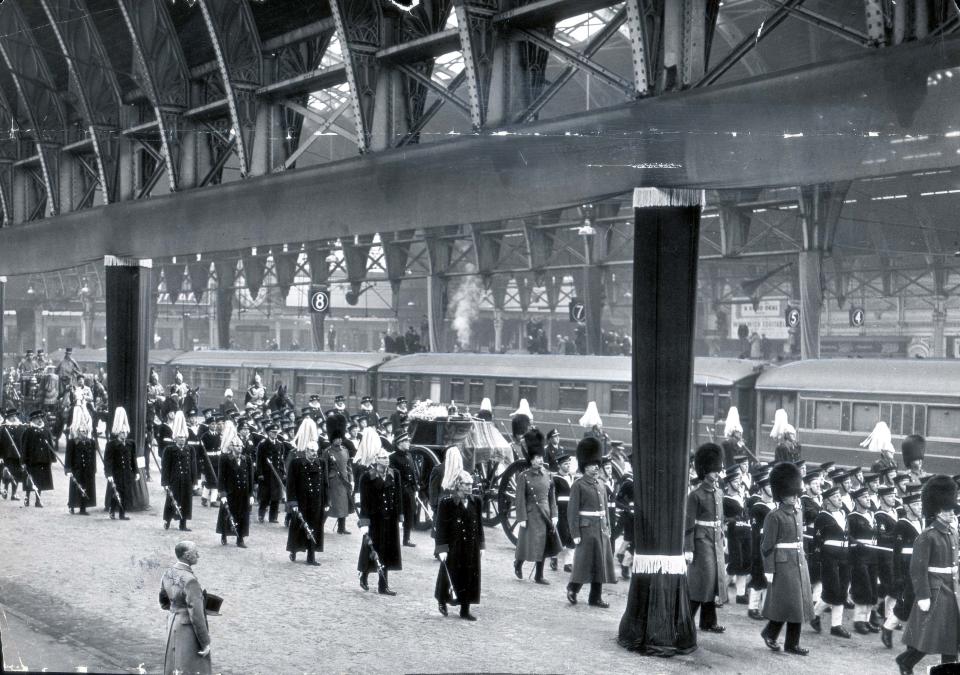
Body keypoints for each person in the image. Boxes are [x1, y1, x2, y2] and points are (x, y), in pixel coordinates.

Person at [896, 475, 960, 675]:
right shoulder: (927, 536)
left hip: (952, 588)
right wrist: (923, 595)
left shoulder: (952, 533)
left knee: (952, 636)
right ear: (937, 510)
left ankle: (947, 669)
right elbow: (918, 569)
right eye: (947, 510)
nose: (952, 513)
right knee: (928, 634)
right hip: (936, 590)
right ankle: (905, 661)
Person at [759, 461, 813, 656]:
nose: (794, 496)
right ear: (781, 494)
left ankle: (790, 642)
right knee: (788, 604)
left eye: (795, 493)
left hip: (798, 562)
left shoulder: (798, 512)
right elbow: (766, 546)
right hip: (783, 565)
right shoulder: (774, 516)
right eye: (791, 493)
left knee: (796, 604)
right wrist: (769, 569)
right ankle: (772, 635)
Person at [565, 437, 617, 608]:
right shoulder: (578, 485)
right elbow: (572, 512)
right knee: (583, 563)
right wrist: (575, 533)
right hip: (586, 529)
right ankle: (573, 589)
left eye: (597, 464)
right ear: (585, 466)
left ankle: (595, 597)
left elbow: (605, 510)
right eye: (592, 464)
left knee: (599, 564)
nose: (596, 467)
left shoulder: (600, 484)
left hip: (600, 528)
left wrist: (608, 526)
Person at [685, 442, 727, 632]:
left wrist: (722, 537)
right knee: (703, 580)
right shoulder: (695, 495)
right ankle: (685, 620)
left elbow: (720, 518)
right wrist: (688, 548)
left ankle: (708, 621)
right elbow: (689, 523)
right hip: (701, 541)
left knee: (713, 580)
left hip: (715, 540)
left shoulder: (718, 492)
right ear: (705, 470)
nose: (717, 472)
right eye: (713, 469)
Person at [435, 470, 484, 620]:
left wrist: (481, 545)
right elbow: (441, 527)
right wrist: (441, 548)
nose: (470, 487)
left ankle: (465, 609)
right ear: (458, 485)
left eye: (471, 484)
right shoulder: (447, 503)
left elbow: (479, 525)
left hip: (471, 545)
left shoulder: (476, 502)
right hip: (454, 546)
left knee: (469, 576)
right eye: (466, 484)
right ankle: (442, 600)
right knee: (449, 573)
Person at [513, 428, 559, 585]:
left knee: (543, 545)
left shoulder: (548, 475)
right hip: (531, 514)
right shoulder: (523, 476)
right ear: (531, 460)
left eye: (541, 457)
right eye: (537, 458)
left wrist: (554, 515)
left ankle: (539, 575)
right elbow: (519, 499)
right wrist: (521, 518)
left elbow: (551, 497)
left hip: (545, 514)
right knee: (527, 545)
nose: (540, 460)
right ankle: (518, 563)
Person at [159, 541, 212, 675]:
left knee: (174, 665)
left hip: (173, 623)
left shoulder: (168, 572)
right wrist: (205, 642)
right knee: (191, 666)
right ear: (187, 556)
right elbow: (197, 615)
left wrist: (176, 609)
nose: (198, 556)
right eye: (195, 553)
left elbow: (163, 601)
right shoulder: (190, 580)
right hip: (187, 629)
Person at [358, 447, 403, 594]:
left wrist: (400, 515)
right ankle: (364, 574)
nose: (387, 459)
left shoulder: (394, 474)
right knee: (372, 549)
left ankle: (383, 585)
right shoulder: (367, 477)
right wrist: (364, 522)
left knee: (387, 551)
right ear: (376, 460)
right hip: (374, 519)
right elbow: (364, 502)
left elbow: (398, 496)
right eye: (383, 457)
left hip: (389, 519)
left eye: (387, 457)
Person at [811, 484, 852, 638]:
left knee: (842, 589)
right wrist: (818, 560)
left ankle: (836, 625)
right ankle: (815, 614)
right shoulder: (822, 517)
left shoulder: (843, 513)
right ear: (827, 501)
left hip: (844, 556)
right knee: (832, 589)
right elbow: (818, 540)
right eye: (835, 497)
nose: (839, 499)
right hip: (829, 557)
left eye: (839, 496)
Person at [286, 423, 326, 565]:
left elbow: (324, 483)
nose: (314, 454)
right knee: (299, 526)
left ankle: (311, 556)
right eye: (311, 451)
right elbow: (290, 485)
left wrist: (326, 502)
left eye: (316, 451)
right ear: (306, 451)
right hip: (301, 501)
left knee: (314, 527)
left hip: (316, 501)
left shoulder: (321, 463)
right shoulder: (296, 463)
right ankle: (294, 550)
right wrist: (293, 502)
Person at [886, 491, 923, 646]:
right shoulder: (901, 524)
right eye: (915, 505)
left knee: (918, 601)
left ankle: (913, 637)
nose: (919, 507)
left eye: (920, 504)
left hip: (920, 566)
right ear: (907, 508)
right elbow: (896, 553)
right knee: (907, 602)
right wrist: (898, 574)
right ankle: (888, 628)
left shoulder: (922, 522)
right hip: (906, 566)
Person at [848, 486, 881, 634]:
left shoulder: (872, 515)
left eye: (868, 497)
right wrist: (856, 542)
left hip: (873, 555)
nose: (868, 499)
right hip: (859, 556)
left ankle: (866, 620)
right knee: (863, 587)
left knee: (872, 588)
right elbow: (847, 535)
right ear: (856, 500)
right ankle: (858, 621)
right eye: (864, 497)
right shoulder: (852, 517)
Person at [217, 422, 254, 548]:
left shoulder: (246, 459)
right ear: (232, 447)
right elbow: (221, 477)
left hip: (243, 492)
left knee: (243, 515)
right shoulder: (225, 459)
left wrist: (251, 494)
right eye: (236, 446)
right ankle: (224, 534)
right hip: (230, 492)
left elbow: (250, 477)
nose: (239, 448)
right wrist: (222, 493)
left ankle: (240, 539)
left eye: (240, 446)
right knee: (227, 513)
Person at [161, 411, 196, 532]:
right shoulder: (170, 450)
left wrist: (194, 480)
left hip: (186, 479)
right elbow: (165, 467)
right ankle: (168, 520)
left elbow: (193, 466)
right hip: (174, 479)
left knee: (186, 501)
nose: (182, 439)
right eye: (179, 437)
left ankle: (183, 523)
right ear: (175, 438)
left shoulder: (189, 449)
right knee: (172, 500)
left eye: (183, 437)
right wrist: (165, 482)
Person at [747, 473, 775, 620]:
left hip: (773, 546)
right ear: (763, 489)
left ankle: (765, 608)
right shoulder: (758, 507)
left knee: (768, 577)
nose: (773, 489)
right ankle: (752, 607)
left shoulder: (775, 506)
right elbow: (756, 532)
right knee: (758, 576)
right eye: (769, 486)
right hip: (760, 545)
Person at [723, 465, 752, 604]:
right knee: (735, 562)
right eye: (735, 481)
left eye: (739, 481)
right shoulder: (725, 499)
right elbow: (723, 519)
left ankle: (741, 594)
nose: (738, 483)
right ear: (728, 483)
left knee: (745, 563)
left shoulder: (743, 496)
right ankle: (721, 591)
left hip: (746, 531)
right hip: (734, 533)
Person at [103, 407, 138, 520]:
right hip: (116, 472)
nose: (124, 434)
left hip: (126, 472)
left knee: (124, 493)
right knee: (115, 492)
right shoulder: (111, 444)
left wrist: (136, 471)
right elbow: (107, 461)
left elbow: (133, 459)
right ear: (118, 432)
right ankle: (112, 510)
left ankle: (122, 514)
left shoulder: (130, 443)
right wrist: (108, 474)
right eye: (122, 432)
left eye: (125, 432)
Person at [324, 413, 354, 535]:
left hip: (344, 481)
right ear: (332, 439)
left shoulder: (345, 450)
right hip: (333, 481)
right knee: (329, 505)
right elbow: (325, 468)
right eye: (337, 438)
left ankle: (341, 527)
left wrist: (351, 479)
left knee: (344, 505)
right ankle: (319, 524)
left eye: (341, 438)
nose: (340, 440)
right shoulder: (327, 452)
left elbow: (348, 466)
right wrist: (326, 482)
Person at [65, 407, 97, 516]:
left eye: (85, 431)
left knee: (85, 487)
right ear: (78, 431)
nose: (84, 433)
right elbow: (68, 457)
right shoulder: (72, 442)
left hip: (87, 469)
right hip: (76, 468)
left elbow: (93, 457)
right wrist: (68, 469)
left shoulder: (90, 442)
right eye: (82, 431)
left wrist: (94, 468)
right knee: (75, 488)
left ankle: (83, 508)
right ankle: (72, 505)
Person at [390, 429, 419, 548]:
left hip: (410, 489)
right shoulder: (393, 457)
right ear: (399, 443)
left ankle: (406, 539)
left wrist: (415, 486)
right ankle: (392, 539)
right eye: (406, 441)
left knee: (409, 513)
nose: (408, 443)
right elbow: (393, 475)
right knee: (396, 514)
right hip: (399, 490)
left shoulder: (409, 455)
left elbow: (413, 472)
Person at [21, 409, 55, 507]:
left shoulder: (45, 430)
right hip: (32, 460)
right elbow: (24, 446)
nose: (39, 420)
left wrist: (51, 458)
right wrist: (23, 461)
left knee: (40, 480)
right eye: (37, 418)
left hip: (43, 460)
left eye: (40, 418)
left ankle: (38, 500)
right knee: (30, 479)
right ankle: (27, 497)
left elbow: (50, 445)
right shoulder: (28, 431)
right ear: (32, 420)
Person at [551, 451, 576, 572]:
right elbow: (553, 497)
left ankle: (568, 563)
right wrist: (554, 512)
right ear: (559, 465)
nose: (568, 466)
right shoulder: (555, 479)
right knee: (560, 535)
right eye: (565, 464)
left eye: (569, 464)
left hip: (570, 511)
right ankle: (553, 558)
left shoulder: (571, 477)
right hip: (561, 510)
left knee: (571, 536)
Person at [255, 423, 285, 524]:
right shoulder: (263, 444)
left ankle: (273, 517)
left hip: (276, 474)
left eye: (276, 432)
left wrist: (282, 472)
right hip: (266, 474)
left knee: (276, 497)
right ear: (268, 433)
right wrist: (260, 473)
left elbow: (281, 460)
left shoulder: (280, 444)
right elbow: (259, 460)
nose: (275, 434)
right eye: (273, 432)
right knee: (265, 497)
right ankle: (261, 515)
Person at [0, 407, 24, 501]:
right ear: (8, 417)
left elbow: (23, 442)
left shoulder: (21, 427)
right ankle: (5, 490)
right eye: (11, 416)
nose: (13, 418)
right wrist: (0, 456)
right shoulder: (3, 428)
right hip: (7, 455)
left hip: (18, 455)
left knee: (17, 474)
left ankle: (14, 493)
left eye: (14, 416)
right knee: (7, 473)